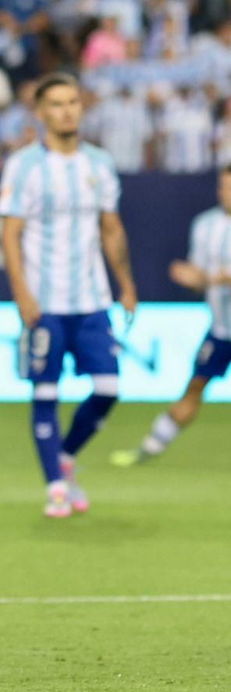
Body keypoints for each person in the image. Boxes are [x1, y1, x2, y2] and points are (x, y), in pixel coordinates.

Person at [0, 73, 136, 517]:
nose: (67, 110)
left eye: (73, 101)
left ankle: (66, 456)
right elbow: (10, 234)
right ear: (41, 113)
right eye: (56, 104)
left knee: (109, 388)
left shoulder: (99, 162)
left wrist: (127, 285)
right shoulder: (24, 165)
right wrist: (22, 294)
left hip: (92, 301)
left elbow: (111, 228)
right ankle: (56, 486)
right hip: (45, 302)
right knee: (45, 393)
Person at [114, 165, 231, 466]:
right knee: (195, 386)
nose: (226, 193)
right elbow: (202, 278)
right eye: (223, 187)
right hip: (222, 329)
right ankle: (151, 446)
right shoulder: (205, 225)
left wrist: (217, 278)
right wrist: (192, 277)